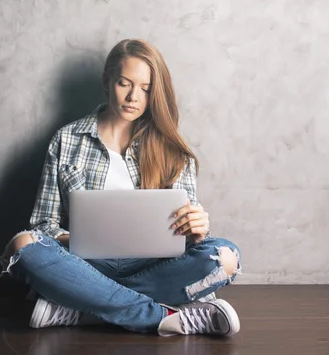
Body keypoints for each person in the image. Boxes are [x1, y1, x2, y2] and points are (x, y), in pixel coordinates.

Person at [1, 39, 242, 337]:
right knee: (23, 246)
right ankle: (163, 316)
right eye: (124, 84)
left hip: (153, 265)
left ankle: (82, 308)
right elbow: (42, 224)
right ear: (107, 81)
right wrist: (79, 239)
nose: (133, 97)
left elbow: (189, 240)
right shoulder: (67, 140)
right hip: (86, 265)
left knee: (225, 256)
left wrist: (197, 229)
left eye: (145, 88)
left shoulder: (170, 148)